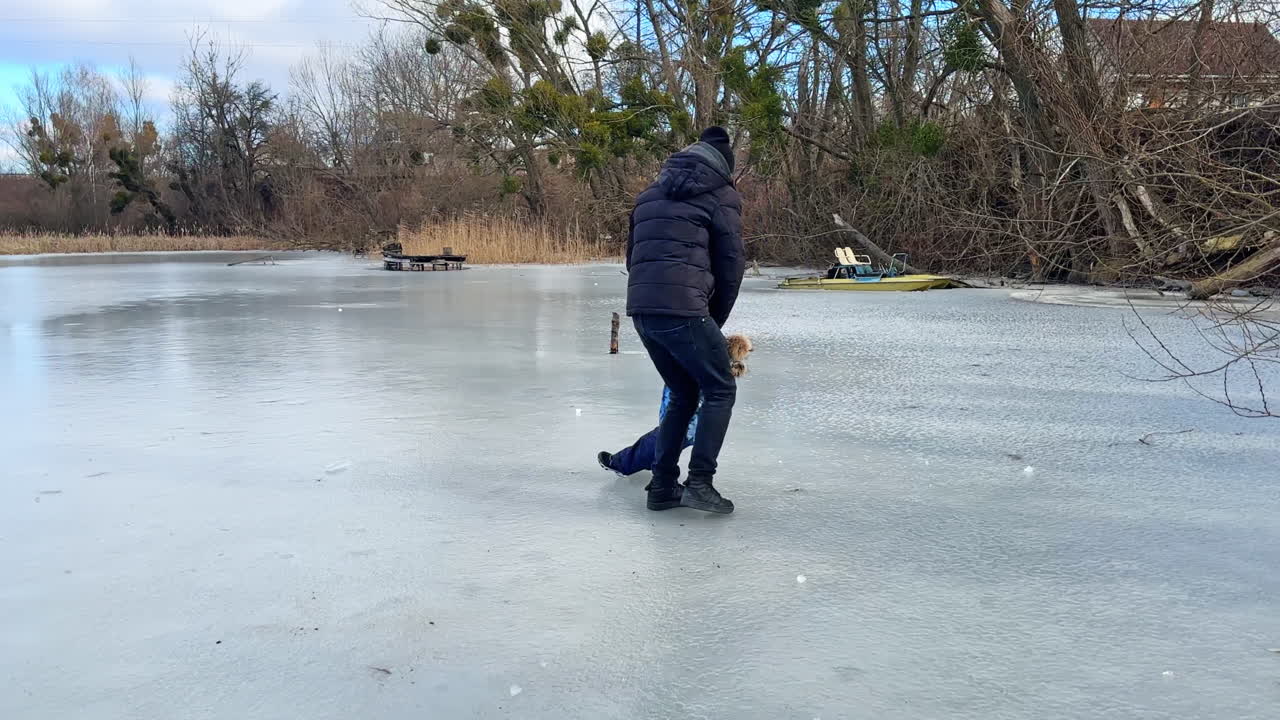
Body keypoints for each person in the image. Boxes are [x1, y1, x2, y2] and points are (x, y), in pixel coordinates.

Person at [625, 126, 745, 514]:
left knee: (683, 391)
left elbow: (633, 259)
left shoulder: (647, 196)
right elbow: (731, 264)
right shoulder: (721, 196)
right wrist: (713, 319)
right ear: (724, 166)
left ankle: (661, 486)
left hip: (643, 311)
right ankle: (699, 482)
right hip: (684, 309)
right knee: (720, 388)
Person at [598, 334, 752, 477]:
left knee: (663, 437)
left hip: (685, 417)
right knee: (666, 440)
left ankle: (621, 463)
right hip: (692, 419)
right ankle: (649, 463)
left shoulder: (706, 365)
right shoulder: (717, 369)